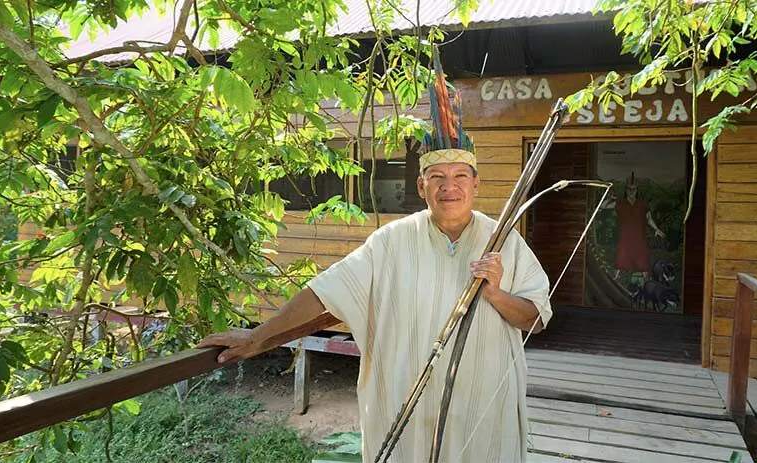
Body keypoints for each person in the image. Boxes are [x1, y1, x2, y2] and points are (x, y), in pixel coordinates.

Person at [197, 47, 552, 462]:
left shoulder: (504, 239)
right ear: (422, 187)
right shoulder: (392, 240)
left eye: (459, 177)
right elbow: (327, 292)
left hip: (482, 413)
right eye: (436, 177)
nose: (448, 187)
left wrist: (494, 293)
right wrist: (261, 336)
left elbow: (536, 318)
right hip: (407, 412)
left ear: (475, 185)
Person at [602, 171, 665, 280]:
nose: (631, 191)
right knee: (620, 261)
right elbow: (603, 206)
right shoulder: (620, 203)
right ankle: (613, 282)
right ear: (626, 190)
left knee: (643, 264)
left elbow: (649, 219)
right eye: (629, 189)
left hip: (639, 238)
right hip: (625, 238)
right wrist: (610, 198)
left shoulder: (642, 204)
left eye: (634, 189)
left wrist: (656, 229)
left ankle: (647, 285)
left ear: (636, 190)